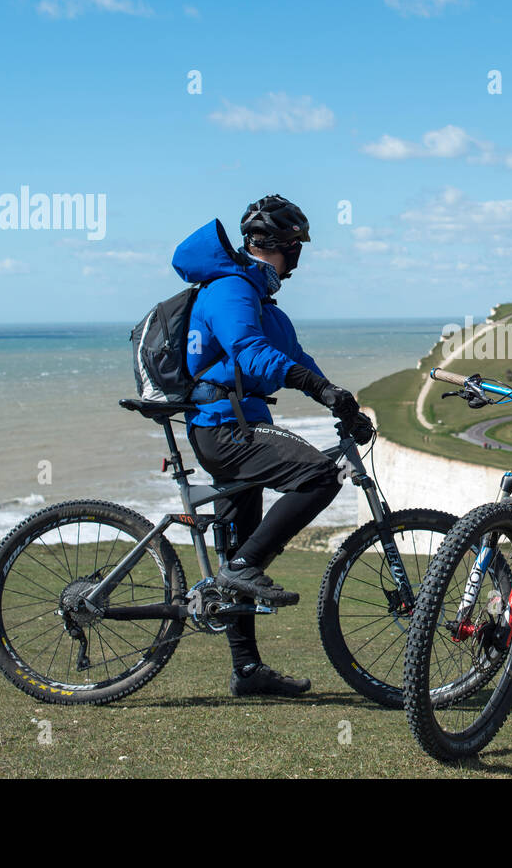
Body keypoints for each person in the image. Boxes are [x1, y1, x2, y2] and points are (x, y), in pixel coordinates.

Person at [171, 194, 373, 697]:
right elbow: (250, 353)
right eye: (299, 245)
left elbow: (294, 355)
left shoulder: (264, 303)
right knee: (320, 476)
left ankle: (247, 671)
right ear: (287, 245)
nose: (301, 255)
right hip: (225, 430)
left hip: (238, 426)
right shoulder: (231, 289)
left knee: (240, 541)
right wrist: (317, 387)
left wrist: (341, 403)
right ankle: (242, 569)